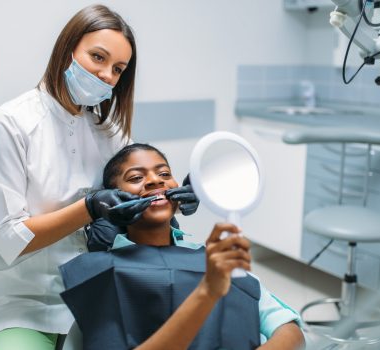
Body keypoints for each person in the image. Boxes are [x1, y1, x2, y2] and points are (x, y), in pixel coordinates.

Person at [0, 5, 197, 349]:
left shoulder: (111, 132)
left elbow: (136, 197)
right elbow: (10, 238)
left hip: (99, 289)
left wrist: (175, 198)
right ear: (68, 49)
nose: (107, 75)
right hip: (22, 301)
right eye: (98, 57)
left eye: (118, 69)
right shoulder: (10, 124)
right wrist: (89, 208)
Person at [60, 143, 306, 349]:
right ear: (112, 199)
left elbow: (289, 329)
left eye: (165, 174)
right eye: (136, 177)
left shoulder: (212, 256)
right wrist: (207, 291)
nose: (155, 181)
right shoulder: (103, 273)